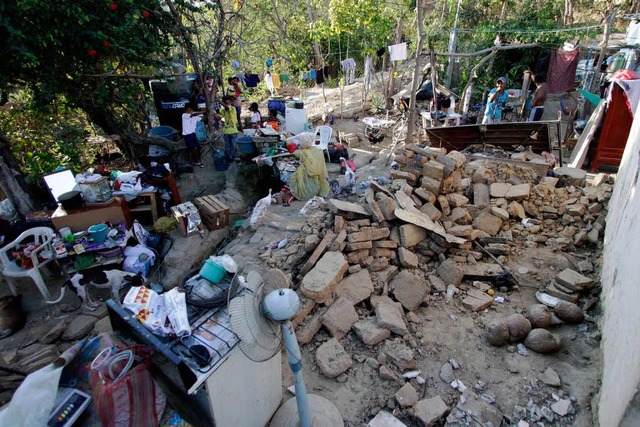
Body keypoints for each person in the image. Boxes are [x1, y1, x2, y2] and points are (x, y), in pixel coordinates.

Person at [288, 133, 330, 201]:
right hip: (319, 173)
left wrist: (291, 148)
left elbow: (294, 152)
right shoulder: (318, 149)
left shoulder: (303, 152)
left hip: (310, 172)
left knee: (294, 177)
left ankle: (307, 191)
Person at [217, 96, 240, 162]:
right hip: (226, 131)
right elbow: (220, 118)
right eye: (226, 103)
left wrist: (218, 99)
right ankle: (229, 159)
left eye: (229, 102)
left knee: (234, 146)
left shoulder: (232, 108)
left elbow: (227, 107)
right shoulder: (222, 109)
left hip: (233, 131)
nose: (228, 104)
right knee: (228, 147)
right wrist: (215, 114)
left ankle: (233, 157)